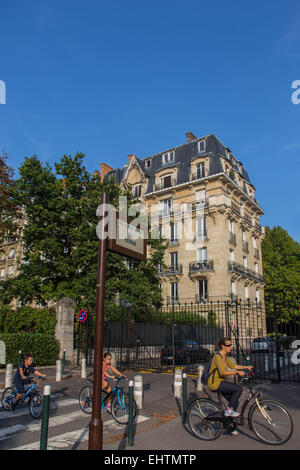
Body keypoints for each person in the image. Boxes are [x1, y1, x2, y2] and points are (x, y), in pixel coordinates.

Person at [207, 338, 252, 429]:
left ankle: (229, 426)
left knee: (235, 402)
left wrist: (246, 367)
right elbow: (223, 372)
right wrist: (237, 372)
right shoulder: (217, 357)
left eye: (231, 345)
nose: (231, 347)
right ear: (223, 346)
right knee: (238, 389)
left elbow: (234, 366)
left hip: (220, 382)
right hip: (215, 383)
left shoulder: (225, 356)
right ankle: (228, 410)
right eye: (228, 345)